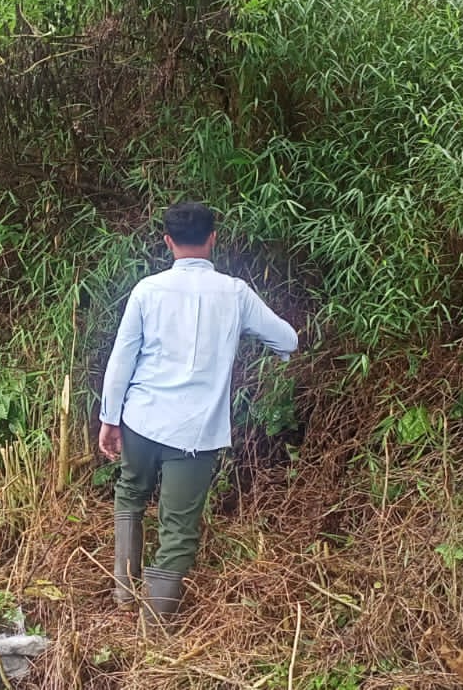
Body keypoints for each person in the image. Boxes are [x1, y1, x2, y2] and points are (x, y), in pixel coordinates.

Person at [97, 201, 298, 624]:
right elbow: (287, 341)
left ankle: (124, 594)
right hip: (196, 430)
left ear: (168, 242)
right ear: (213, 239)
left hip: (142, 418)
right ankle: (154, 630)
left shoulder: (148, 290)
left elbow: (122, 358)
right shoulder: (236, 293)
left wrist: (110, 418)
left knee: (131, 492)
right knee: (179, 526)